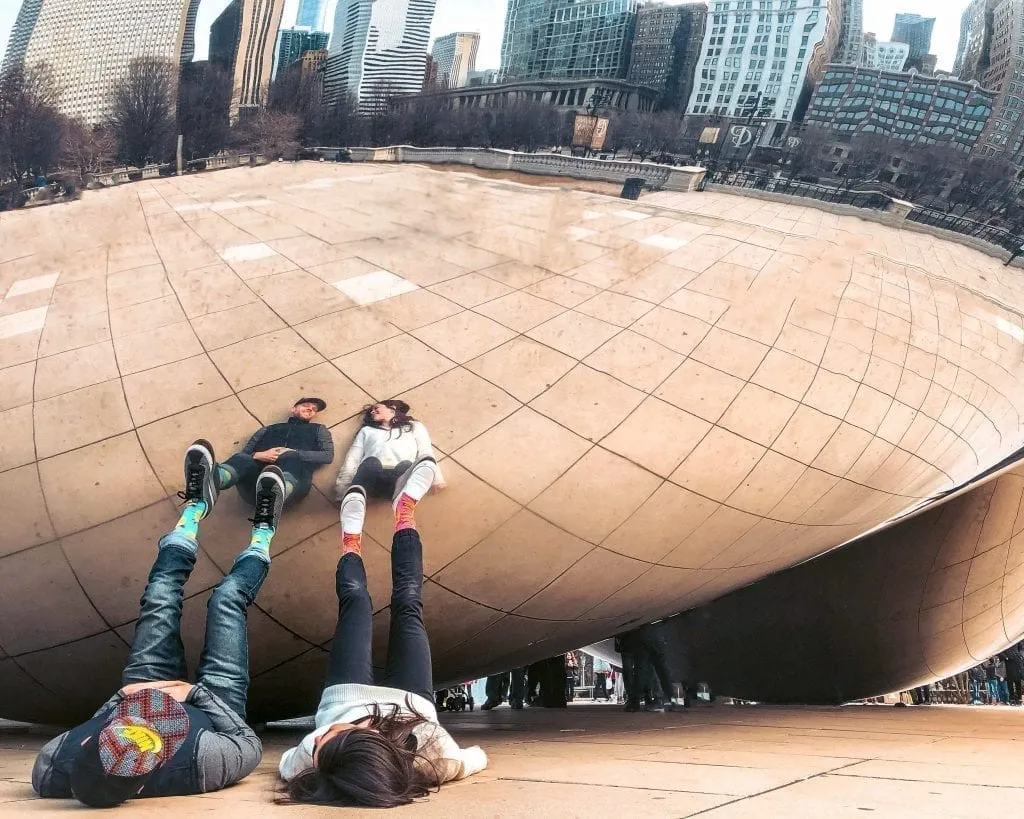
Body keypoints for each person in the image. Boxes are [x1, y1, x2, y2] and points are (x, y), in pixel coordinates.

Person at [32, 440, 285, 807]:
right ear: (142, 786)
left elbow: (94, 720)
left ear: (88, 742)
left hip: (143, 689)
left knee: (160, 594)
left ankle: (196, 507)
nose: (147, 730)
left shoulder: (51, 767)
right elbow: (247, 744)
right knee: (227, 599)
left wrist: (122, 699)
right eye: (153, 742)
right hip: (215, 702)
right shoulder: (202, 766)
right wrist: (195, 695)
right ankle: (264, 531)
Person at [280, 457, 487, 807]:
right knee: (408, 602)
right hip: (412, 704)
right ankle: (404, 509)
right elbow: (478, 756)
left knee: (355, 603)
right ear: (380, 741)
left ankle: (350, 540)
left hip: (344, 695)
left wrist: (321, 749)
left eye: (320, 742)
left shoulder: (305, 759)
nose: (322, 733)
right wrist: (441, 769)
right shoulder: (436, 752)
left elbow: (290, 764)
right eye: (337, 731)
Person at [218, 397, 334, 507]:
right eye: (306, 405)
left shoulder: (319, 429)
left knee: (292, 457)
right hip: (254, 486)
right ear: (293, 409)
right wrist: (257, 455)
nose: (310, 409)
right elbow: (244, 454)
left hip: (293, 487)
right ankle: (215, 480)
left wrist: (293, 453)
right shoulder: (268, 429)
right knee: (241, 458)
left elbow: (327, 455)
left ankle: (277, 493)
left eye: (314, 410)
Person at [333, 401, 447, 513]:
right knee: (371, 462)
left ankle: (401, 497)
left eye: (376, 408)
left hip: (400, 478)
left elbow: (425, 451)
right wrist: (342, 491)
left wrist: (436, 479)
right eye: (371, 411)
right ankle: (357, 497)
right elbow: (352, 459)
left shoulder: (414, 426)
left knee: (406, 465)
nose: (373, 411)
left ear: (392, 408)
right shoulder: (366, 431)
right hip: (373, 478)